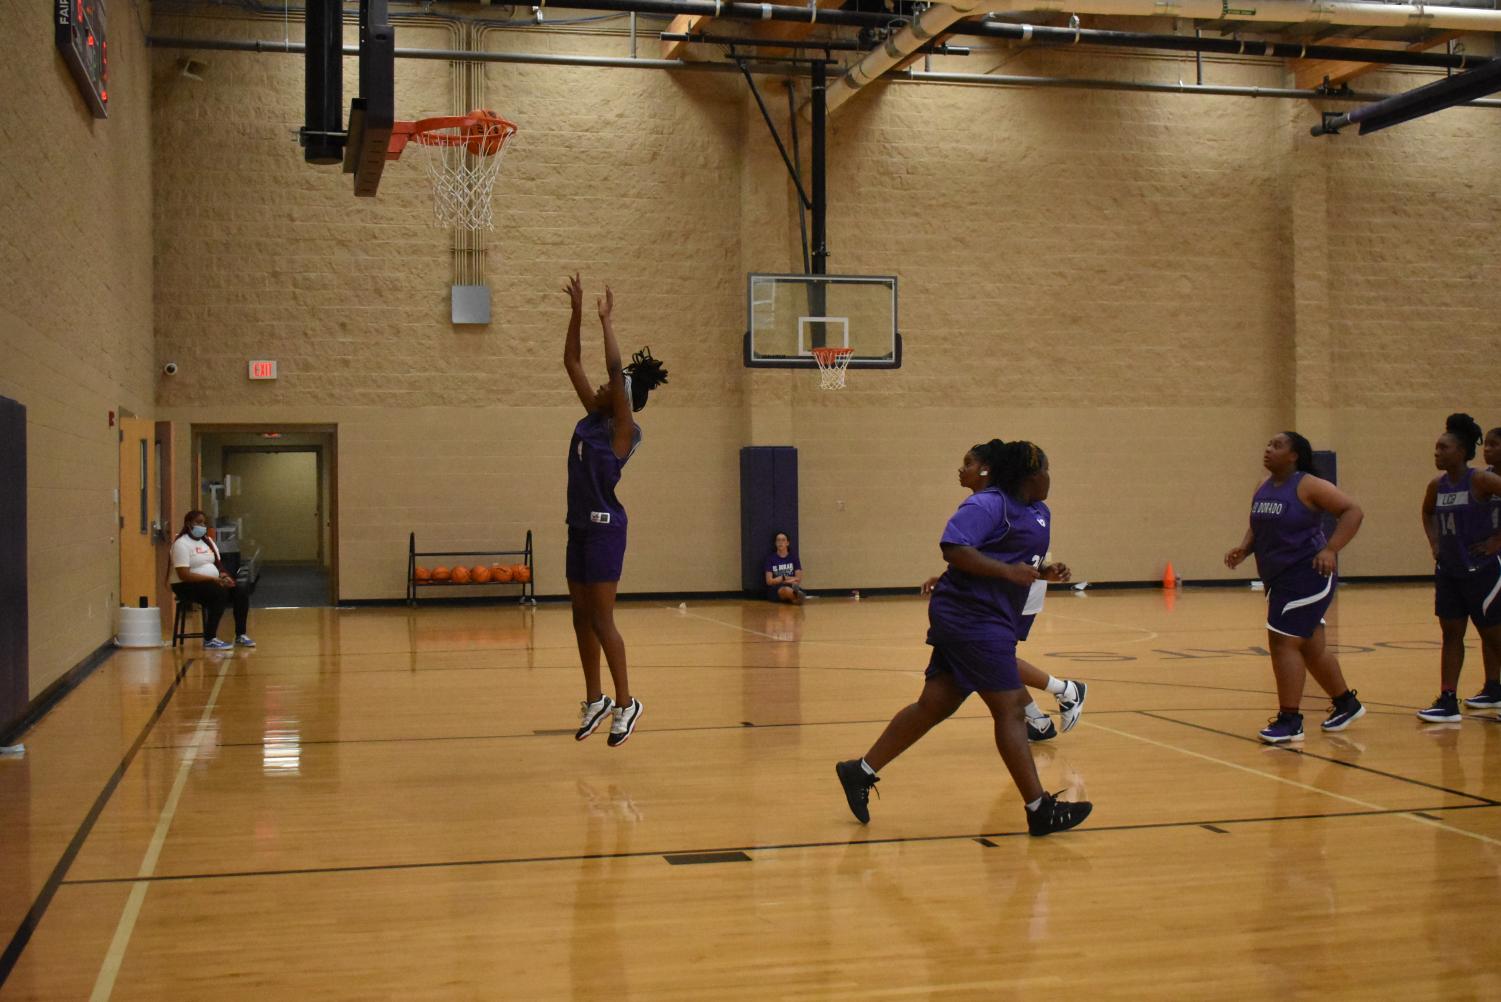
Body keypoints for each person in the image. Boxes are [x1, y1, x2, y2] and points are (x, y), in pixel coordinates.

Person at [835, 438, 1093, 836]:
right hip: (970, 617)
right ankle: (1039, 808)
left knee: (934, 705)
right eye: (1046, 470)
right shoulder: (988, 504)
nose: (1049, 478)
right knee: (1009, 709)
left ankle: (860, 770)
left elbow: (1007, 558)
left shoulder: (1040, 512)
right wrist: (1009, 573)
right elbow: (954, 548)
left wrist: (1043, 573)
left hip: (991, 615)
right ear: (1030, 474)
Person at [562, 274, 667, 747]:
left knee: (603, 620)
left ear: (622, 397)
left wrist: (607, 321)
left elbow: (613, 363)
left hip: (606, 531)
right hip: (579, 529)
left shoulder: (622, 430)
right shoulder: (591, 416)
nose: (602, 385)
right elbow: (570, 361)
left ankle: (627, 703)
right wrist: (577, 311)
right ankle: (595, 699)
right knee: (579, 617)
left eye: (611, 385)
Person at [918, 448, 1086, 742]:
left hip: (1014, 587)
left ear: (987, 469)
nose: (961, 469)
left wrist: (1041, 570)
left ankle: (1061, 692)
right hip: (996, 587)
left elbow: (1000, 554)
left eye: (968, 463)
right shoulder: (988, 504)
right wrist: (947, 576)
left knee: (996, 658)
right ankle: (1038, 715)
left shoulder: (1007, 504)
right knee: (992, 661)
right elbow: (976, 553)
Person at [1224, 432, 1364, 743]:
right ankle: (1346, 702)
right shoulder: (1263, 484)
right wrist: (1245, 548)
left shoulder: (1308, 485)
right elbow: (1256, 522)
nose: (1268, 449)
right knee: (1312, 648)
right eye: (1268, 443)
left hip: (1307, 574)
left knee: (1282, 642)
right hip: (1278, 576)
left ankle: (1290, 719)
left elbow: (1353, 511)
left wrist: (1330, 549)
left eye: (1277, 445)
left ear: (1294, 455)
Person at [1417, 414, 1501, 722]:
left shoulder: (1480, 480)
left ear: (1462, 451)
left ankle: (1495, 688)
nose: (1436, 452)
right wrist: (1435, 543)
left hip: (1483, 571)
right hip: (1449, 572)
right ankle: (1448, 699)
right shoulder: (1435, 486)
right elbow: (1426, 514)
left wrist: (1497, 541)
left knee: (1493, 636)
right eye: (1436, 447)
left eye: (1443, 447)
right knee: (1451, 635)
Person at [169, 509, 253, 650]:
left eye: (204, 523)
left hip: (211, 582)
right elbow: (184, 574)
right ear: (189, 524)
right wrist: (213, 580)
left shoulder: (208, 542)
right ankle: (210, 638)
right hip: (185, 585)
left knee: (241, 590)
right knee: (218, 592)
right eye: (198, 522)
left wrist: (224, 577)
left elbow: (218, 565)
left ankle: (241, 634)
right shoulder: (181, 544)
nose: (202, 526)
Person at [1466, 425, 1501, 710]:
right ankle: (1492, 686)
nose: (1487, 449)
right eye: (1486, 444)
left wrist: (1497, 541)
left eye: (1494, 444)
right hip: (1487, 564)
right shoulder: (1483, 477)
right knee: (1489, 625)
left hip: (1496, 556)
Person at [764, 531, 805, 604]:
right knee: (785, 589)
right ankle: (796, 597)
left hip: (791, 585)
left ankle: (795, 597)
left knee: (792, 588)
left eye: (783, 540)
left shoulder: (794, 558)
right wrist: (785, 578)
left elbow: (798, 578)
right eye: (778, 540)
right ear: (775, 543)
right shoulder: (770, 559)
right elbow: (769, 581)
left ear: (787, 543)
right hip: (776, 589)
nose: (780, 542)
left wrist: (781, 579)